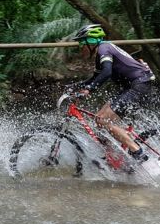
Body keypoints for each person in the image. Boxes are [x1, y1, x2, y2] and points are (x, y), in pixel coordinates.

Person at [66, 24, 155, 162]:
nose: (80, 48)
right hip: (131, 87)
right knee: (99, 119)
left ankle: (138, 153)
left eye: (82, 43)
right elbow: (95, 78)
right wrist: (74, 87)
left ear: (91, 42)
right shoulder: (101, 53)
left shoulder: (103, 48)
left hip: (138, 85)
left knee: (104, 120)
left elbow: (106, 73)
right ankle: (112, 157)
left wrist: (89, 89)